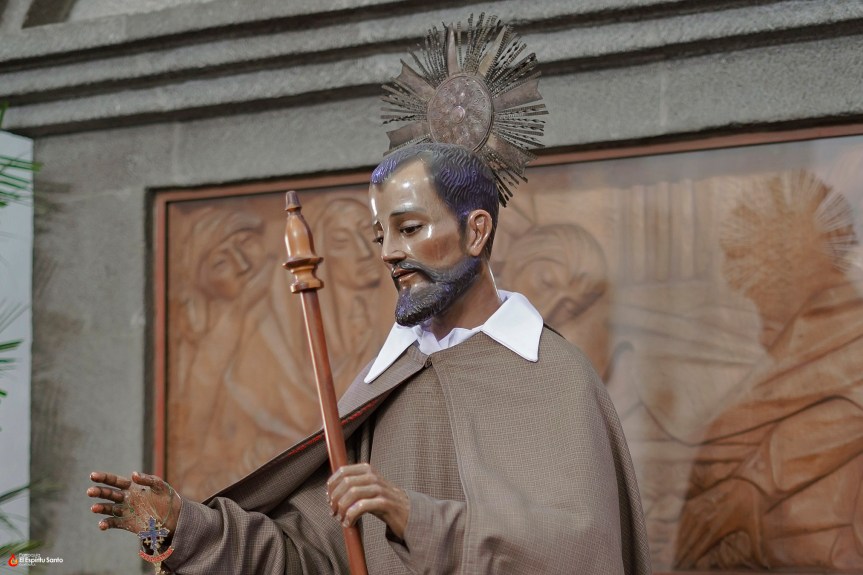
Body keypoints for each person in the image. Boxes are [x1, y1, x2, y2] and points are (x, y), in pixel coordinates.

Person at [87, 143, 651, 574]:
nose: (389, 253)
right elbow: (309, 557)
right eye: (379, 234)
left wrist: (415, 517)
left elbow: (580, 551)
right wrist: (185, 529)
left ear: (476, 230)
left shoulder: (552, 377)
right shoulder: (390, 380)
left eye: (409, 228)